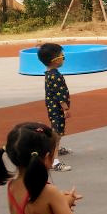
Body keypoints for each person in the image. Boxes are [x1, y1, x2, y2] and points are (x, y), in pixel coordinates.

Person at [37, 43, 73, 172]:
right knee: (57, 133)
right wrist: (66, 109)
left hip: (52, 107)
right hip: (57, 109)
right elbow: (60, 95)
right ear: (55, 60)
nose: (63, 58)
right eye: (61, 56)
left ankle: (56, 149)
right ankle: (54, 161)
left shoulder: (49, 73)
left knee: (56, 130)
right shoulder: (55, 76)